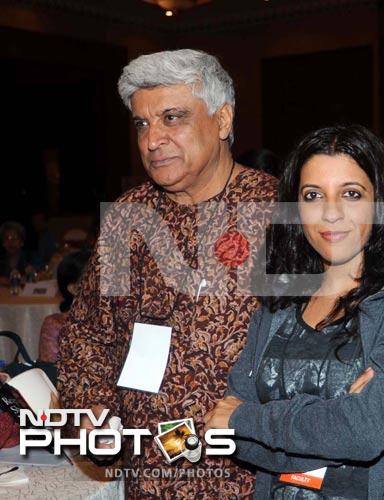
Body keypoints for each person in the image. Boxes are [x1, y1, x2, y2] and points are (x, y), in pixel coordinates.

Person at [57, 49, 278, 498]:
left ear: (222, 120)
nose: (152, 139)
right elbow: (87, 334)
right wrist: (92, 408)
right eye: (141, 123)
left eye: (171, 118)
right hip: (146, 477)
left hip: (247, 480)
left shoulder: (278, 213)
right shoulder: (128, 217)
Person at [204, 124, 384, 499]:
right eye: (313, 195)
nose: (331, 213)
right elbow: (226, 436)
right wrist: (336, 425)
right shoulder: (278, 304)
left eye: (351, 194)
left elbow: (369, 431)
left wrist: (251, 420)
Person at [37, 249, 91, 363]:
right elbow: (50, 370)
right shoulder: (56, 324)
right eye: (94, 278)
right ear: (74, 289)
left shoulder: (112, 319)